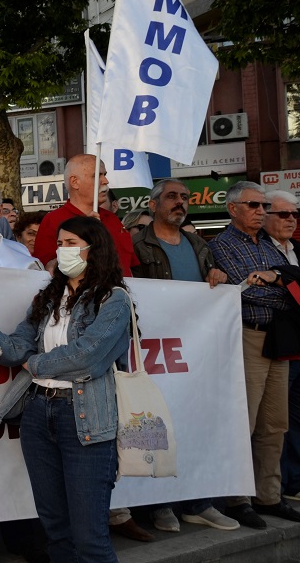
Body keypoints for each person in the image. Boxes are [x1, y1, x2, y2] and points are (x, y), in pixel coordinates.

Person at [0, 216, 132, 563]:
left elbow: (87, 358)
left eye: (71, 244)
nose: (62, 250)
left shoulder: (114, 300)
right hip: (38, 414)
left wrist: (34, 364)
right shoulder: (49, 298)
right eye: (60, 243)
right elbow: (15, 350)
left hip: (84, 418)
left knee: (90, 537)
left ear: (94, 249)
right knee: (56, 529)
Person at [130, 178, 237, 533]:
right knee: (155, 424)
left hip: (193, 351)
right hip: (153, 352)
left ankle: (197, 503)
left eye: (185, 197)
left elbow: (211, 281)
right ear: (154, 204)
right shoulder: (136, 245)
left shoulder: (198, 244)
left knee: (194, 422)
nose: (180, 202)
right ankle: (159, 504)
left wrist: (216, 275)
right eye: (172, 197)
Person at [210, 181, 300, 529]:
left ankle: (269, 495)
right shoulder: (221, 245)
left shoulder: (269, 245)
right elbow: (241, 292)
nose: (262, 211)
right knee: (243, 422)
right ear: (233, 209)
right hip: (247, 336)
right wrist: (283, 289)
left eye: (264, 206)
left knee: (275, 423)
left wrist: (275, 282)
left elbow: (293, 285)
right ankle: (238, 499)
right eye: (254, 205)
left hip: (278, 338)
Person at [33, 154, 137, 276]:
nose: (105, 181)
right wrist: (83, 233)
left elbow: (130, 266)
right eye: (97, 176)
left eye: (104, 175)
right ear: (75, 182)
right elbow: (47, 270)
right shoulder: (53, 220)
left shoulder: (112, 219)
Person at [263, 191, 300, 502]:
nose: (291, 220)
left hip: (297, 342)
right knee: (278, 420)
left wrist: (282, 278)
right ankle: (282, 484)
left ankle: (295, 482)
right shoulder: (261, 249)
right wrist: (283, 280)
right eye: (283, 214)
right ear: (266, 216)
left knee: (296, 418)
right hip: (276, 344)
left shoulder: (297, 250)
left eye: (294, 214)